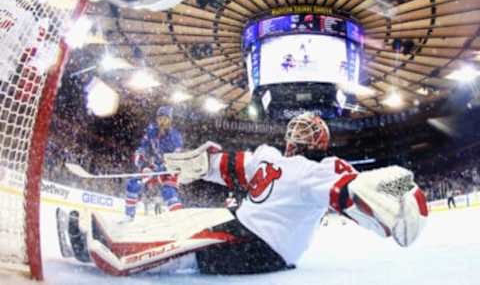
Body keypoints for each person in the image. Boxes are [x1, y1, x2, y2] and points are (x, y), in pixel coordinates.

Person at [58, 112, 428, 276]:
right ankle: (115, 237)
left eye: (302, 133)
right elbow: (229, 165)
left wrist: (395, 189)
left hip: (265, 250)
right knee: (191, 218)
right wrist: (201, 163)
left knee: (196, 241)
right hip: (244, 229)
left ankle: (114, 253)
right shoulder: (271, 158)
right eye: (297, 130)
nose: (296, 137)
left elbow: (348, 189)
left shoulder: (321, 169)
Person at [123, 105, 184, 221]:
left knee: (168, 191)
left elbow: (176, 158)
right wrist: (143, 165)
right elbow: (142, 148)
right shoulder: (151, 131)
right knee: (133, 183)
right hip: (155, 166)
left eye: (165, 118)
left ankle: (179, 219)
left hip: (171, 167)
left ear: (170, 120)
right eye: (160, 118)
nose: (162, 121)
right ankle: (129, 216)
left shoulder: (175, 136)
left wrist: (162, 168)